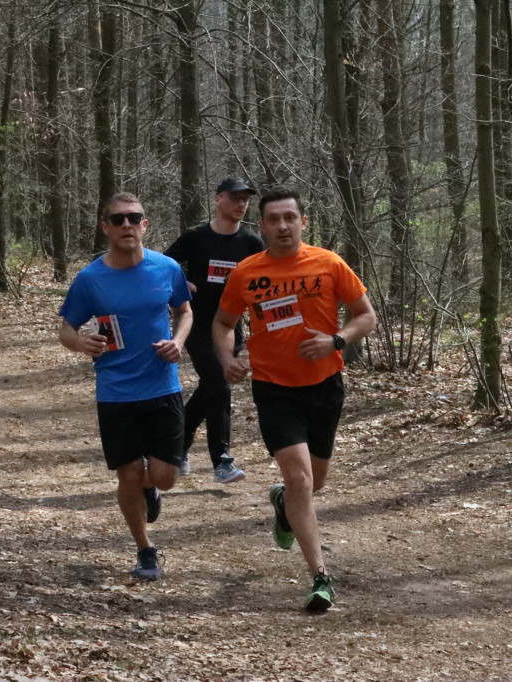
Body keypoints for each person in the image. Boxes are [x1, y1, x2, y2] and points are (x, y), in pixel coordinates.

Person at [213, 186, 376, 611]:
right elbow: (223, 322)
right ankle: (320, 576)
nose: (283, 226)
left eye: (290, 218)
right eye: (274, 219)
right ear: (263, 226)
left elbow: (366, 315)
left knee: (314, 482)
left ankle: (283, 502)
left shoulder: (328, 263)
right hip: (274, 389)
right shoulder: (247, 272)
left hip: (324, 386)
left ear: (303, 222)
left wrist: (337, 340)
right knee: (301, 480)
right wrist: (227, 357)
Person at [59, 191, 192, 582]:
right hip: (115, 391)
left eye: (134, 218)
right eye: (118, 219)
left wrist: (178, 341)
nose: (127, 225)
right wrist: (81, 343)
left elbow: (185, 311)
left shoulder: (166, 268)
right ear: (106, 228)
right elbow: (66, 329)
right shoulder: (90, 279)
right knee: (128, 474)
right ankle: (145, 550)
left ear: (145, 225)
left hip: (162, 387)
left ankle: (150, 489)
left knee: (165, 477)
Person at [164, 177, 265, 483]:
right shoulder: (196, 237)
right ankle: (221, 461)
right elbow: (164, 265)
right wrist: (182, 283)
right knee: (219, 384)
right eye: (235, 198)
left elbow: (264, 281)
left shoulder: (251, 243)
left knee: (212, 386)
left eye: (245, 199)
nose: (241, 204)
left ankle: (177, 445)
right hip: (196, 325)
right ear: (218, 199)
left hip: (231, 327)